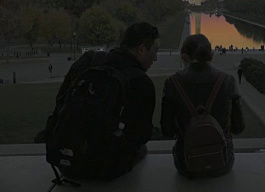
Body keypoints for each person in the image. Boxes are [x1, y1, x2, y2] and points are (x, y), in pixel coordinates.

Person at [60, 22, 160, 181]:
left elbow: (61, 102)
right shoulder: (141, 82)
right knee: (142, 149)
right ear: (141, 49)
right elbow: (142, 135)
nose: (155, 57)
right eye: (155, 50)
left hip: (68, 161)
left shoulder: (88, 61)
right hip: (107, 169)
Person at [161, 34, 245, 179]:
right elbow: (239, 127)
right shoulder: (227, 81)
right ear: (209, 54)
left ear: (185, 55)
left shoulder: (172, 83)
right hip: (222, 162)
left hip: (186, 164)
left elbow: (167, 130)